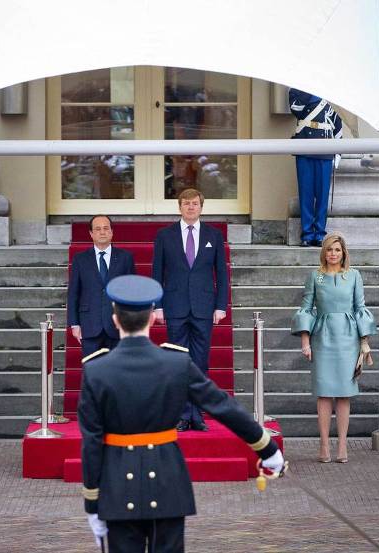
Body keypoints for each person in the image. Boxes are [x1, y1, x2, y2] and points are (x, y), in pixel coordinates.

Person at [78, 275, 286, 552]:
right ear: (152, 318)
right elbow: (222, 406)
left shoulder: (96, 370)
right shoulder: (176, 363)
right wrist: (267, 449)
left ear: (115, 319)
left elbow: (91, 443)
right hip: (167, 481)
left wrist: (92, 503)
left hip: (118, 487)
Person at [291, 233, 376, 463]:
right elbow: (306, 308)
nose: (333, 254)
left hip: (348, 339)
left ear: (344, 252)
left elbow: (360, 308)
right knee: (324, 393)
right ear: (324, 252)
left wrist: (364, 341)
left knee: (344, 394)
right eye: (329, 249)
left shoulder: (354, 275)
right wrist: (305, 341)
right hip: (322, 337)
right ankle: (324, 445)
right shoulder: (315, 276)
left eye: (337, 250)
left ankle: (342, 446)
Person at [152, 188, 229, 432]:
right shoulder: (165, 236)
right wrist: (158, 306)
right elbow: (157, 273)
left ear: (201, 207)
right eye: (186, 203)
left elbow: (222, 273)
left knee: (200, 363)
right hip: (174, 308)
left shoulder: (213, 236)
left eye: (195, 203)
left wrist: (220, 306)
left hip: (204, 308)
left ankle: (198, 415)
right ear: (180, 207)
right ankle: (184, 415)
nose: (190, 207)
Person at [67, 215, 136, 357]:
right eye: (98, 229)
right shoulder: (80, 259)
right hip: (90, 324)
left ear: (112, 232)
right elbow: (74, 292)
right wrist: (74, 324)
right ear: (91, 234)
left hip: (117, 326)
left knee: (117, 372)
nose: (102, 232)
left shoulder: (125, 257)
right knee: (92, 372)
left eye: (106, 228)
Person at [288, 88, 343, 247]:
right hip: (304, 147)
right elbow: (296, 110)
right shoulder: (297, 89)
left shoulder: (332, 94)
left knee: (322, 196)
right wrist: (310, 88)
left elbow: (337, 124)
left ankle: (319, 233)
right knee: (306, 194)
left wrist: (338, 153)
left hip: (325, 150)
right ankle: (307, 233)